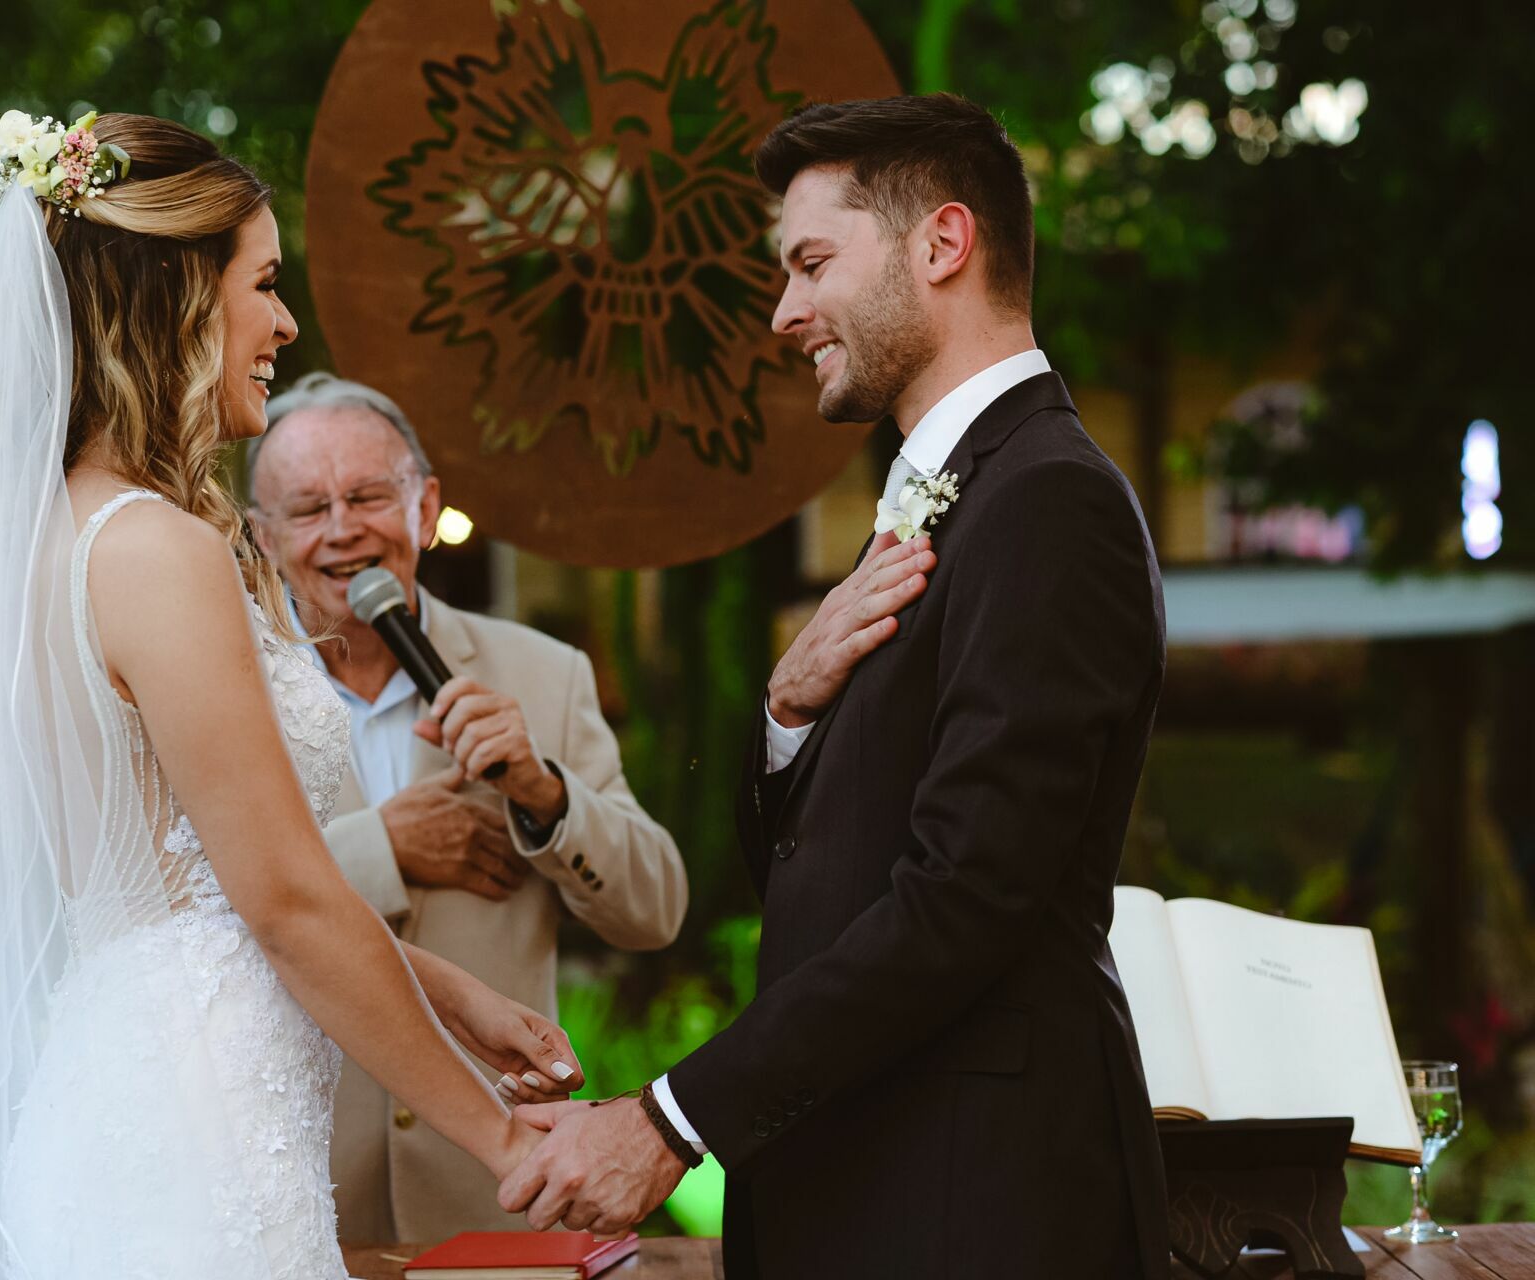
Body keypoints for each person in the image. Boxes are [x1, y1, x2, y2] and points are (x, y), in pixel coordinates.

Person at [0, 111, 583, 1280]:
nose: (285, 323)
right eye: (264, 284)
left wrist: (452, 992)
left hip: (139, 1093)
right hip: (198, 1136)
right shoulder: (157, 551)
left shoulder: (55, 540)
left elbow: (194, 891)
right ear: (179, 299)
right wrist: (504, 1136)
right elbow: (279, 900)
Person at [499, 94, 1172, 1279]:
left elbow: (965, 895)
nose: (784, 311)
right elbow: (825, 877)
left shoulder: (1048, 500)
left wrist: (670, 1119)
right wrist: (787, 717)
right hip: (870, 1181)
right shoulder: (946, 500)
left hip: (977, 1205)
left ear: (942, 243)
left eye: (812, 263)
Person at [243, 373, 688, 1240]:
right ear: (264, 537)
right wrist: (382, 848)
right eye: (308, 509)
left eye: (369, 496)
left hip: (494, 1198)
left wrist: (542, 793)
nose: (343, 528)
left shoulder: (543, 673)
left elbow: (655, 912)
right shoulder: (229, 690)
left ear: (424, 507)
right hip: (301, 1190)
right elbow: (196, 907)